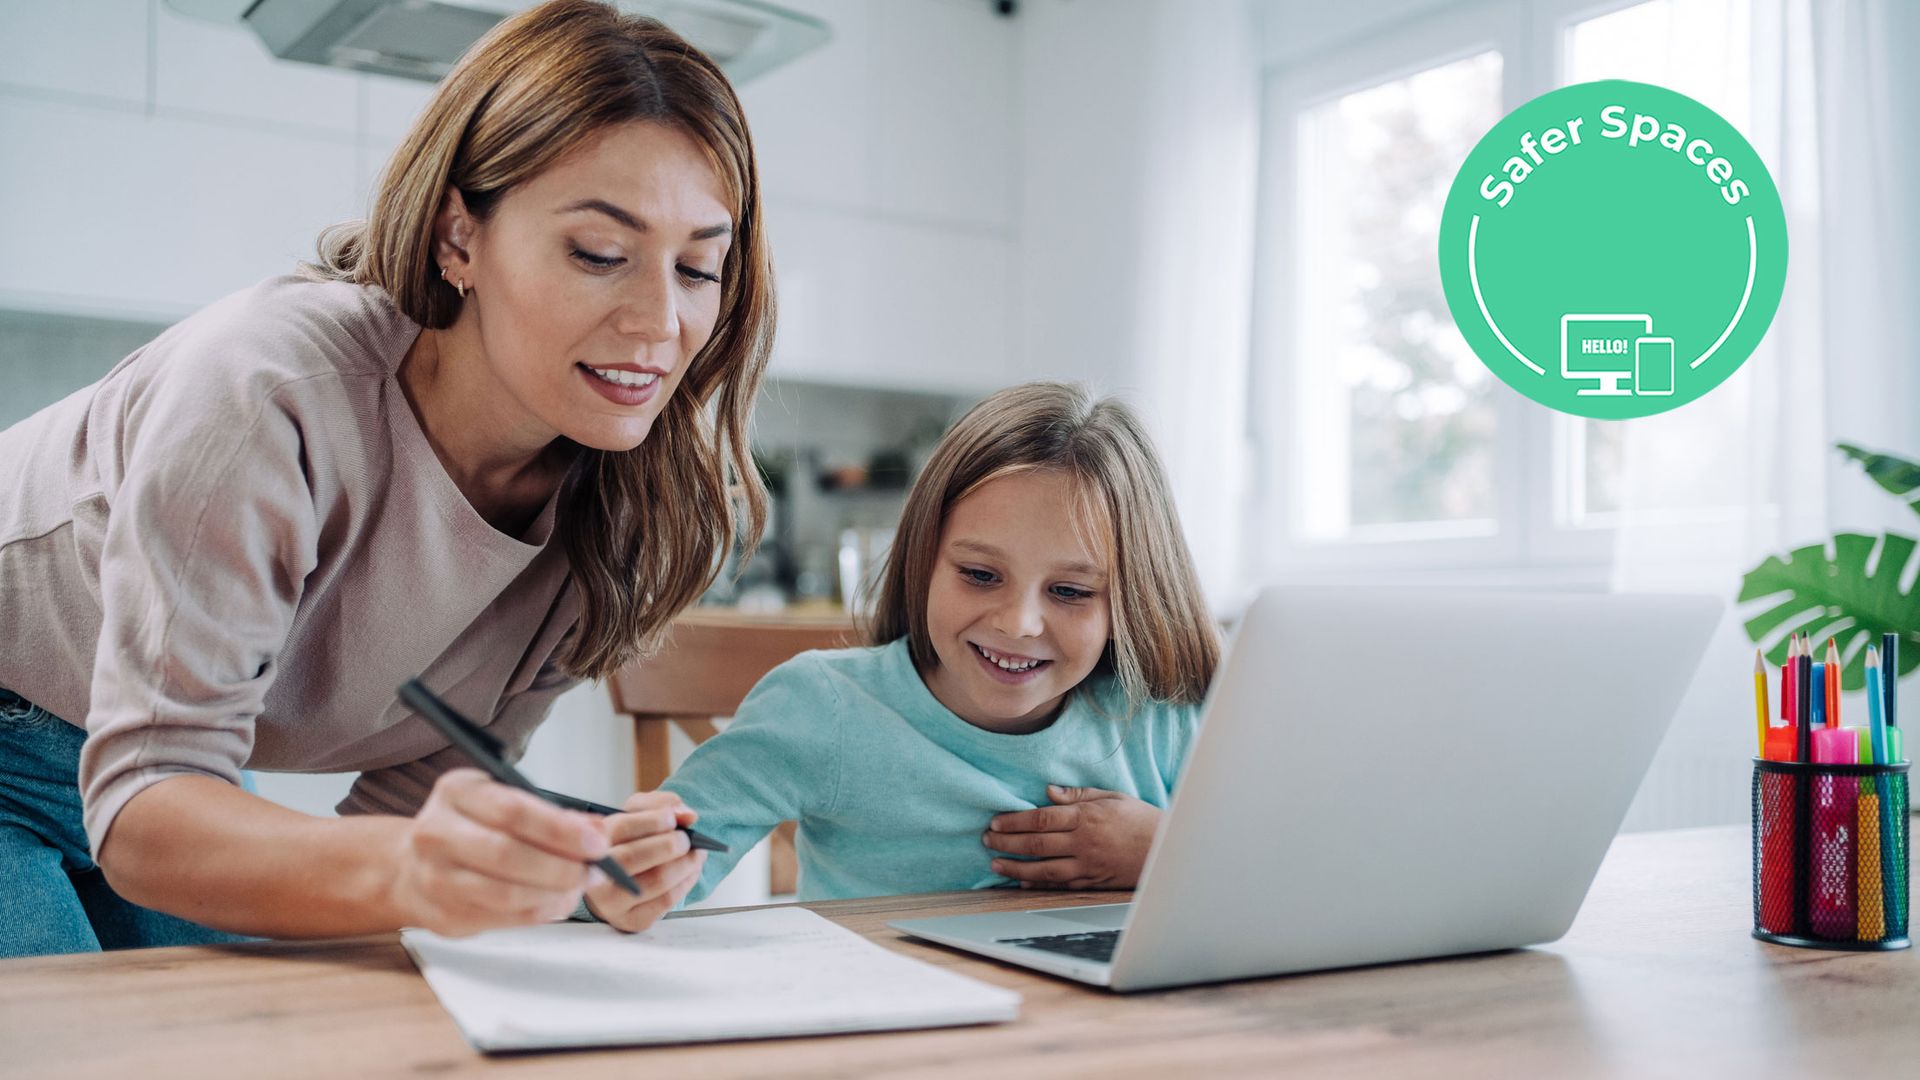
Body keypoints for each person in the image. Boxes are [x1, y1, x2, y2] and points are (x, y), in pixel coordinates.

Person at [0, 0, 773, 957]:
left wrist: (546, 872)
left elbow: (415, 801)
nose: (661, 322)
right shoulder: (265, 393)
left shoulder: (623, 511)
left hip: (153, 777)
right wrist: (411, 868)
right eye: (600, 254)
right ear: (459, 238)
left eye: (699, 267)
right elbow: (152, 813)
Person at [661, 382, 1220, 901]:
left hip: (1100, 1011)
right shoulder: (821, 706)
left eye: (1071, 590)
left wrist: (1172, 853)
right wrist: (625, 872)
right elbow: (642, 878)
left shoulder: (1166, 719)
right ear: (924, 560)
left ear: (1130, 599)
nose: (1018, 623)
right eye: (979, 575)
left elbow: (1282, 883)